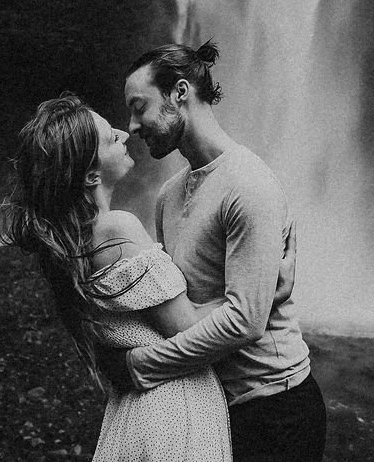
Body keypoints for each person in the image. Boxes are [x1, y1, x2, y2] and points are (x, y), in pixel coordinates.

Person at [109, 40, 327, 462]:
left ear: (180, 93)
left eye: (139, 107)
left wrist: (142, 367)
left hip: (275, 410)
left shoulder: (248, 185)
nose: (132, 126)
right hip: (213, 407)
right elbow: (175, 305)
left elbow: (245, 323)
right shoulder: (167, 197)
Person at [0, 93, 232, 462]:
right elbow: (188, 328)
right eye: (111, 137)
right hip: (171, 411)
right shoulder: (116, 227)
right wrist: (256, 291)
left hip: (134, 413)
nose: (125, 133)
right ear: (92, 175)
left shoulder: (77, 241)